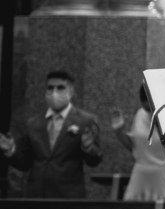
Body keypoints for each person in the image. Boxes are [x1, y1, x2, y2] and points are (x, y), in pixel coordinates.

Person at [0, 70, 102, 198]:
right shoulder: (33, 123)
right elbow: (24, 163)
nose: (54, 92)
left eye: (60, 87)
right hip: (37, 197)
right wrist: (10, 150)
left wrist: (87, 147)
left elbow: (95, 160)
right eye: (50, 87)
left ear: (71, 91)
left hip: (69, 198)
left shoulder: (85, 121)